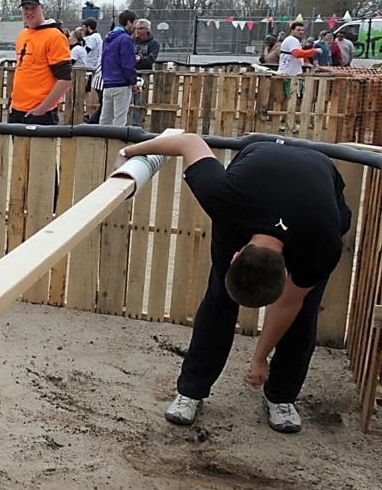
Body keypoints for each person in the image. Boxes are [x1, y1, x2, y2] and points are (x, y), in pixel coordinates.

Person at [119, 133, 350, 434]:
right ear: (236, 253)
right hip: (258, 166)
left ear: (286, 272)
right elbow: (188, 141)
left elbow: (288, 303)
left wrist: (260, 359)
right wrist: (130, 151)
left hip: (320, 183)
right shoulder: (223, 196)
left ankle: (281, 396)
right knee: (219, 299)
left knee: (302, 313)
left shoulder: (320, 244)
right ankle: (191, 390)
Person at [9, 0, 72, 125]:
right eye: (26, 8)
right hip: (17, 110)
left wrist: (42, 109)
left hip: (40, 112)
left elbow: (64, 79)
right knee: (17, 147)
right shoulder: (22, 35)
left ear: (42, 8)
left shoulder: (54, 36)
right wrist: (13, 102)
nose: (29, 12)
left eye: (33, 8)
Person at [99, 10, 138, 127]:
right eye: (135, 23)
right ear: (129, 22)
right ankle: (115, 145)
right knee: (119, 121)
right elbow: (127, 64)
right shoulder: (125, 39)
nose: (136, 27)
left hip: (108, 83)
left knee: (105, 120)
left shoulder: (108, 38)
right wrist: (133, 81)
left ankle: (101, 143)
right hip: (121, 84)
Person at [278, 21, 317, 97]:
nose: (301, 32)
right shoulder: (292, 40)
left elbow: (300, 53)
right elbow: (297, 54)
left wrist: (307, 62)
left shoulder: (294, 40)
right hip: (289, 74)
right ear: (292, 30)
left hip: (292, 73)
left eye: (302, 30)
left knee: (294, 97)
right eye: (298, 30)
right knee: (290, 97)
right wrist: (313, 51)